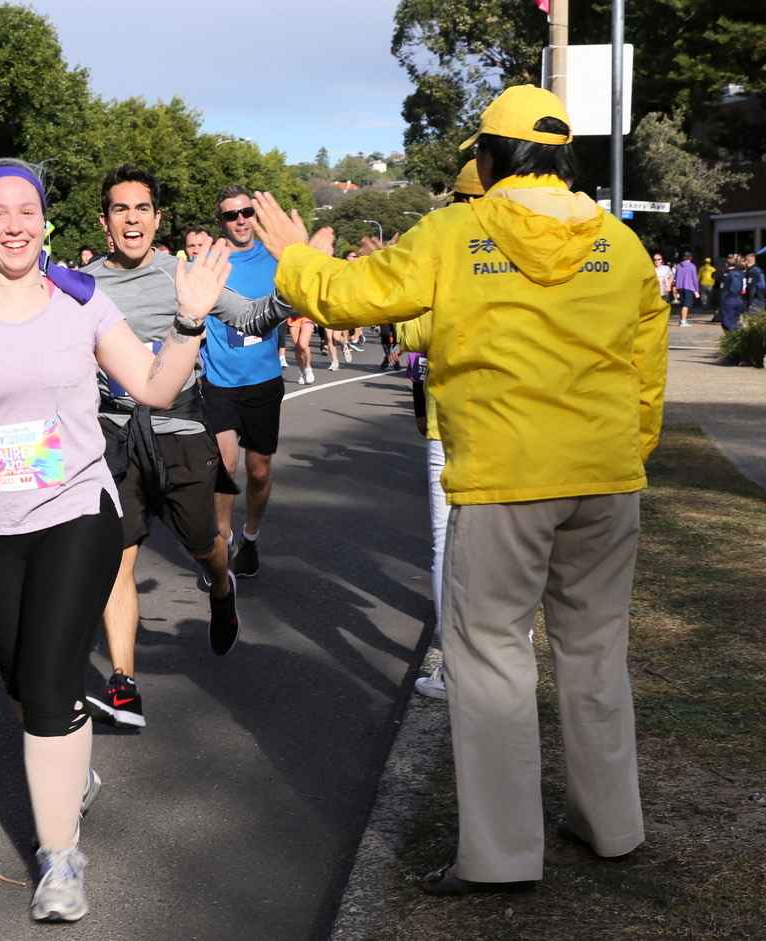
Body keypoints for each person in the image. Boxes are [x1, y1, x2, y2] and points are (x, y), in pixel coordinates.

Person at [253, 83, 669, 894]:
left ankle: (504, 856)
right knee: (595, 650)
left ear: (492, 154)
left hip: (503, 477)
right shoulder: (621, 245)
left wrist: (295, 254)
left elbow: (351, 296)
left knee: (491, 660)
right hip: (606, 477)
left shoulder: (455, 232)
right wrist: (631, 445)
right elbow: (645, 360)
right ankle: (612, 824)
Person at [0, 158, 231, 924]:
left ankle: (59, 858)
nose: (14, 224)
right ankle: (71, 766)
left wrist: (189, 321)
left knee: (49, 686)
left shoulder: (83, 303)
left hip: (75, 510)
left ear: (45, 220)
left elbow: (155, 387)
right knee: (26, 687)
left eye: (27, 210)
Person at [81, 165, 296, 727]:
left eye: (142, 209)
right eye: (120, 210)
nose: (132, 220)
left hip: (179, 431)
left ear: (157, 219)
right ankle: (123, 682)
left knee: (206, 546)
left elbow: (252, 317)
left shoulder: (183, 275)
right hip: (115, 436)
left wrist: (294, 285)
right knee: (117, 555)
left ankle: (222, 589)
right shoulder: (81, 286)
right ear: (105, 222)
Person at [401, 158, 487, 701]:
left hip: (449, 417)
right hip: (513, 418)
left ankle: (455, 665)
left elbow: (413, 335)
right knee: (506, 543)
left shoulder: (443, 246)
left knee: (447, 544)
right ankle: (515, 642)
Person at [201, 185, 286, 579]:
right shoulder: (209, 263)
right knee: (224, 464)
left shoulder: (275, 259)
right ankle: (221, 543)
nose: (240, 220)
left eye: (246, 212)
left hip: (264, 381)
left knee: (259, 470)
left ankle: (250, 537)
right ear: (220, 221)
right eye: (230, 215)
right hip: (220, 381)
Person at [718, 252, 746, 332]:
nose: (729, 260)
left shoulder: (736, 273)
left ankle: (733, 336)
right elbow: (715, 275)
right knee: (729, 322)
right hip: (733, 298)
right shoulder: (728, 270)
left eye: (732, 258)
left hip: (732, 298)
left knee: (729, 323)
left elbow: (735, 289)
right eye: (729, 258)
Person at [674, 251, 699, 327]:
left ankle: (681, 320)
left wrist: (676, 288)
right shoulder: (692, 266)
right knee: (686, 305)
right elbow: (694, 279)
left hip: (680, 287)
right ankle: (683, 321)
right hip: (689, 287)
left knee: (682, 305)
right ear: (691, 258)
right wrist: (696, 289)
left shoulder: (678, 266)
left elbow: (675, 277)